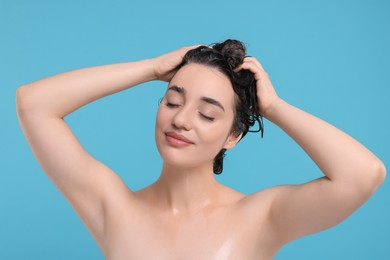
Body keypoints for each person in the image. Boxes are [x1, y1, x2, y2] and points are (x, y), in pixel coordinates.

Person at [16, 39, 386, 259]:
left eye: (208, 114)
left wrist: (272, 107)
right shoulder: (113, 207)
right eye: (173, 102)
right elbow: (33, 103)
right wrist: (149, 67)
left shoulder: (260, 217)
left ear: (233, 136)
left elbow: (363, 175)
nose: (181, 120)